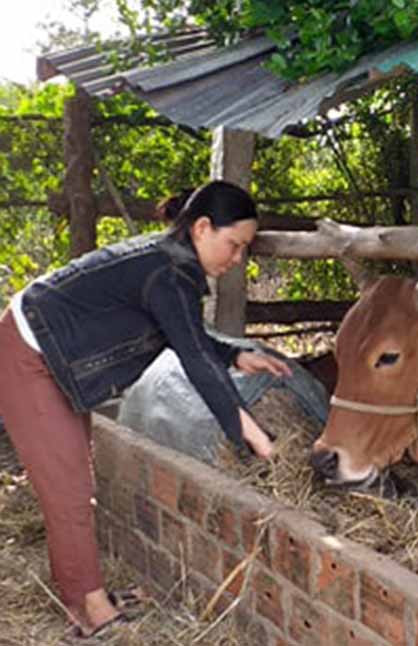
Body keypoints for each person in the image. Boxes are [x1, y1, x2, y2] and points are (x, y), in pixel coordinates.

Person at [0, 180, 291, 639]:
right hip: (31, 353)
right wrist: (249, 431)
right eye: (234, 245)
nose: (237, 259)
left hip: (51, 352)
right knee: (69, 492)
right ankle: (95, 614)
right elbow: (193, 359)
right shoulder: (168, 274)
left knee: (73, 484)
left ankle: (81, 598)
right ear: (201, 228)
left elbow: (187, 337)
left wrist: (236, 356)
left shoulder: (172, 267)